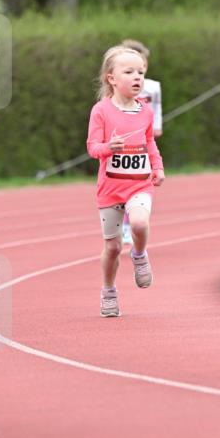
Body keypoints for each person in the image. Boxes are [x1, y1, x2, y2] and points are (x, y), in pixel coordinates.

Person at [86, 46, 165, 317]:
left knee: (140, 223)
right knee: (112, 247)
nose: (137, 78)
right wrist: (110, 147)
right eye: (129, 72)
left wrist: (158, 167)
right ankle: (108, 290)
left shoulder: (145, 111)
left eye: (141, 72)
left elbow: (150, 142)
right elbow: (93, 148)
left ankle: (140, 255)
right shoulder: (101, 111)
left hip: (138, 184)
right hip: (110, 189)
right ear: (111, 78)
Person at [120, 38, 163, 244]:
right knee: (122, 185)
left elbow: (156, 109)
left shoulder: (153, 88)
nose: (139, 73)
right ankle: (124, 222)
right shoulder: (117, 89)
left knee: (138, 184)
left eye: (142, 67)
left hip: (144, 145)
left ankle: (132, 223)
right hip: (121, 147)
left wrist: (156, 127)